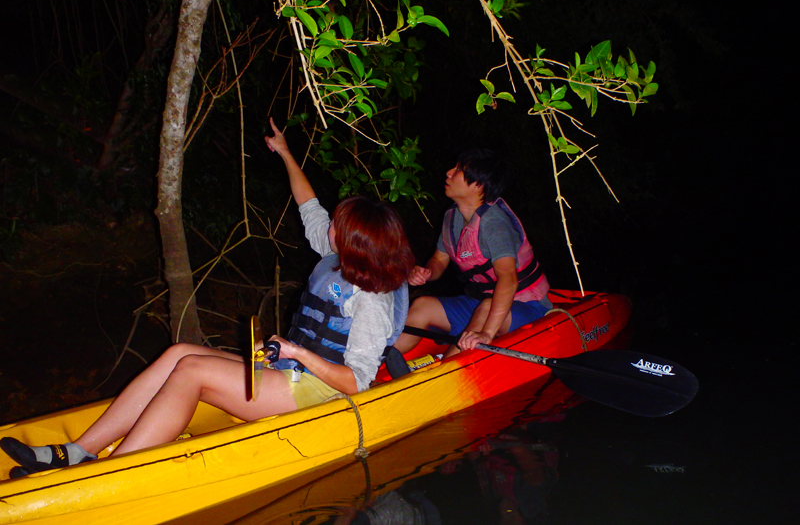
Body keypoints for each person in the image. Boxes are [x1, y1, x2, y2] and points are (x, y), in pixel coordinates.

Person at [1, 118, 414, 477]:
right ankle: (78, 450)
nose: (330, 228)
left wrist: (298, 353)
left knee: (193, 372)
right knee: (179, 352)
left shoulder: (373, 299)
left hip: (317, 393)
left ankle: (112, 468)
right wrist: (286, 154)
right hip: (291, 370)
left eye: (339, 227)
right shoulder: (334, 257)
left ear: (357, 245)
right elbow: (310, 207)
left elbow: (358, 382)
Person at [394, 149, 551, 357]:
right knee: (423, 305)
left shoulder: (495, 223)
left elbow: (509, 279)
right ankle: (369, 370)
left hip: (527, 307)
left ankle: (448, 374)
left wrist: (486, 333)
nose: (449, 172)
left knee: (486, 307)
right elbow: (439, 260)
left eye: (458, 170)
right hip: (482, 304)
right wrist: (426, 272)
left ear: (478, 185)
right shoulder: (452, 217)